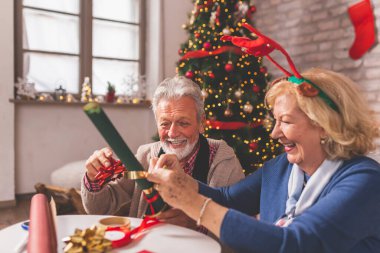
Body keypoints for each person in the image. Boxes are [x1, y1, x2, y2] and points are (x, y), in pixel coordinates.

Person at [147, 68, 380, 253]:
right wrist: (183, 181)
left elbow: (295, 244)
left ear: (325, 126)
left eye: (286, 121)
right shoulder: (282, 167)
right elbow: (228, 198)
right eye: (275, 121)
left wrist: (193, 203)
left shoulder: (364, 181)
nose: (275, 133)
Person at [81, 75, 245, 230]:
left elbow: (238, 225)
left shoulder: (223, 161)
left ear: (201, 123)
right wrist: (93, 178)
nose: (172, 133)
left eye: (183, 123)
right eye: (165, 124)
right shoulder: (145, 155)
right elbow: (99, 208)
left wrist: (196, 221)